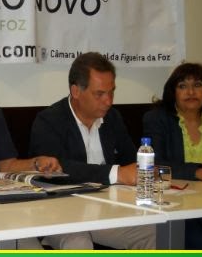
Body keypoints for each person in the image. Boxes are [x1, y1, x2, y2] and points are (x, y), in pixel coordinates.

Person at [29, 52, 155, 250]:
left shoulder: (112, 118)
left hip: (107, 208)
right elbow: (58, 171)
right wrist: (117, 173)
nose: (108, 101)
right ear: (76, 91)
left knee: (154, 233)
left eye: (111, 92)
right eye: (99, 94)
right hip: (61, 211)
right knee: (79, 244)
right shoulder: (49, 120)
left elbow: (131, 162)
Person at [143, 62, 202, 249]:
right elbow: (156, 163)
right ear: (172, 92)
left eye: (197, 85)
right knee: (195, 240)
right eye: (182, 86)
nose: (191, 92)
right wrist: (199, 172)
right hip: (173, 202)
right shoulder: (157, 119)